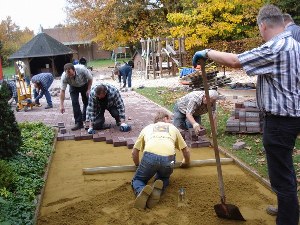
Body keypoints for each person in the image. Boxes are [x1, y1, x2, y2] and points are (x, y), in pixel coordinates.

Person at [192, 4, 300, 225]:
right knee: (285, 171)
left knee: (282, 177)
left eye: (259, 30)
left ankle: (287, 219)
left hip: (280, 120)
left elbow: (235, 60)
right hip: (291, 116)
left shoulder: (276, 46)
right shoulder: (295, 45)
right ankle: (286, 209)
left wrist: (207, 52)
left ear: (263, 25)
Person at [131, 111, 190, 209]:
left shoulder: (147, 128)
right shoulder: (173, 128)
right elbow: (186, 151)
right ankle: (158, 189)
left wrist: (138, 165)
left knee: (138, 179)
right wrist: (186, 162)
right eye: (170, 119)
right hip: (169, 159)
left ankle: (141, 191)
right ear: (166, 118)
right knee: (164, 178)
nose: (171, 121)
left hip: (150, 156)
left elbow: (134, 152)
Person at [60, 63, 93, 131]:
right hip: (73, 86)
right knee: (74, 103)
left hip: (84, 85)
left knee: (86, 101)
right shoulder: (64, 77)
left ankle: (85, 118)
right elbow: (62, 91)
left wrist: (89, 89)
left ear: (74, 70)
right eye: (69, 75)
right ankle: (79, 123)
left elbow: (90, 79)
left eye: (72, 74)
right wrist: (61, 105)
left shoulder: (82, 69)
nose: (71, 76)